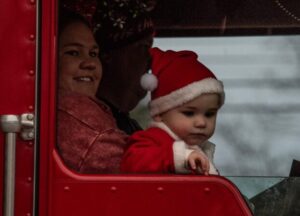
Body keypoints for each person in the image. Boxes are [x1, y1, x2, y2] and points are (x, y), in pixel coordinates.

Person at [121, 47, 225, 174]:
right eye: (189, 113)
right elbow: (133, 162)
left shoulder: (200, 149)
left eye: (209, 114)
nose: (201, 123)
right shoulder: (152, 141)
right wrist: (181, 157)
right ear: (159, 113)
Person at [56, 9, 127, 173]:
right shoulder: (75, 109)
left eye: (93, 53)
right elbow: (129, 166)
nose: (90, 64)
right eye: (73, 52)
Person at [93, 0, 156, 135]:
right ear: (107, 55)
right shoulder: (94, 125)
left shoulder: (128, 125)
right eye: (144, 47)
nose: (151, 59)